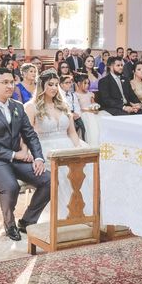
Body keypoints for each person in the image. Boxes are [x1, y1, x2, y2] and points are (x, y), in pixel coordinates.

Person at [0, 68, 50, 241]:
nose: (10, 86)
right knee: (11, 185)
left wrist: (38, 157)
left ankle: (27, 221)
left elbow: (30, 134)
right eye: (5, 82)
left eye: (12, 82)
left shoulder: (17, 107)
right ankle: (9, 224)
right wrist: (15, 155)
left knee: (49, 179)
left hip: (16, 159)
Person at [25, 70, 92, 217]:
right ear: (42, 86)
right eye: (50, 85)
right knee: (61, 173)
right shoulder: (31, 107)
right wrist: (31, 153)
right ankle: (63, 215)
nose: (54, 88)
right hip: (45, 147)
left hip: (67, 144)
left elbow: (72, 132)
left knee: (85, 166)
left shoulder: (63, 105)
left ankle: (83, 211)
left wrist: (77, 148)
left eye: (56, 85)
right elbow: (28, 134)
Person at [59, 74, 86, 140]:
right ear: (61, 84)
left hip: (75, 115)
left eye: (70, 82)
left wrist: (77, 114)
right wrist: (70, 114)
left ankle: (82, 141)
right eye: (66, 83)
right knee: (71, 127)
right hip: (64, 114)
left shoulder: (72, 95)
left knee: (83, 127)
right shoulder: (58, 95)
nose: (69, 84)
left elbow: (77, 106)